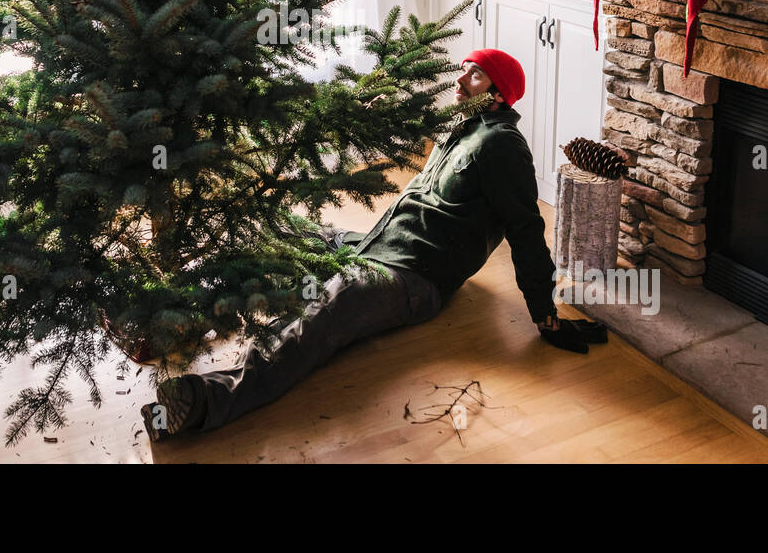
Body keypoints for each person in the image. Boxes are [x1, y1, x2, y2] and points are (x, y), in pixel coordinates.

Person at [140, 48, 606, 440]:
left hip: (414, 275)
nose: (460, 80)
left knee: (325, 311)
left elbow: (527, 230)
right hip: (378, 245)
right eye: (464, 69)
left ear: (500, 94)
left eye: (476, 75)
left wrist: (545, 315)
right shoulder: (461, 130)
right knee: (289, 232)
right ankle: (174, 315)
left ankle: (205, 402)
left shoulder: (503, 146)